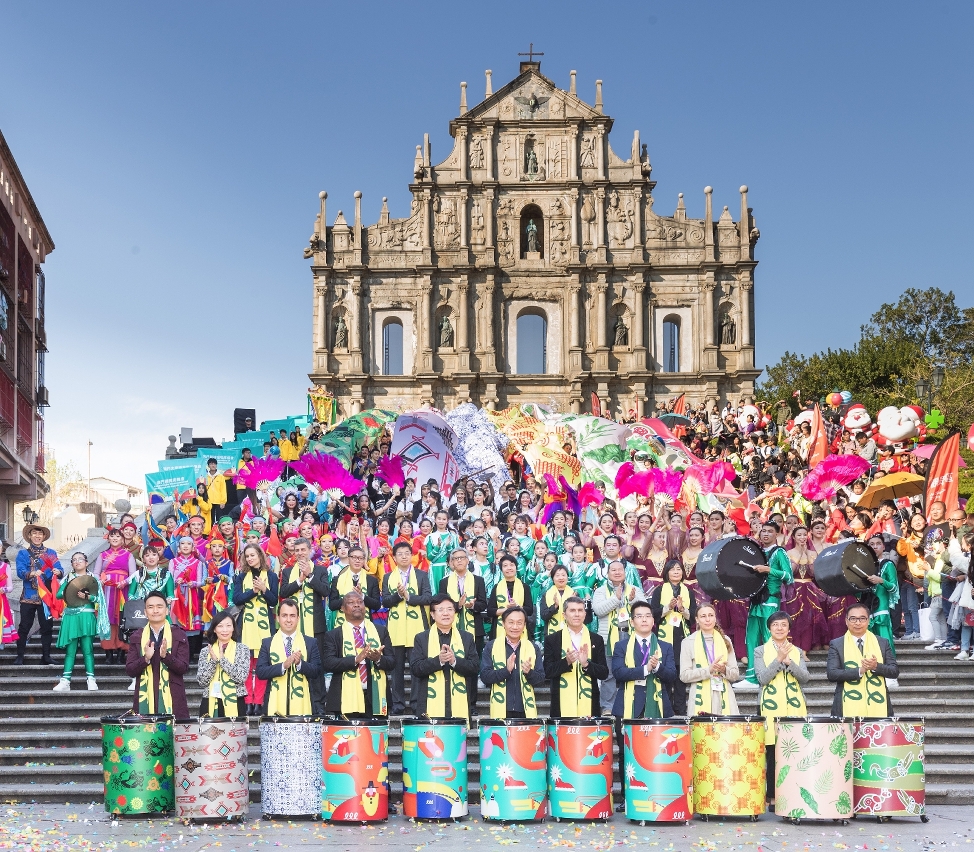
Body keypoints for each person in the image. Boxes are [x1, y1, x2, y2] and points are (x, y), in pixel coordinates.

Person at [754, 612, 809, 803]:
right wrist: (777, 660)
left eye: (783, 625)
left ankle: (794, 792)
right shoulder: (760, 651)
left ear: (789, 628)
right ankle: (772, 796)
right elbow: (762, 678)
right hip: (769, 707)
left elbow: (805, 678)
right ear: (769, 629)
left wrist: (789, 662)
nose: (779, 628)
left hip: (794, 706)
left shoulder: (797, 651)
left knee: (795, 749)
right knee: (772, 752)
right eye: (775, 625)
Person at [735, 521, 793, 691]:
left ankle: (772, 676)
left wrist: (768, 570)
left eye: (769, 531)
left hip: (770, 600)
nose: (765, 534)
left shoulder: (779, 552)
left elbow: (789, 577)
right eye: (763, 531)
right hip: (755, 600)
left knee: (770, 638)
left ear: (777, 534)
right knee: (751, 638)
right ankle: (752, 677)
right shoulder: (758, 551)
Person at [322, 589, 394, 717]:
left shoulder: (380, 631)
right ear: (342, 608)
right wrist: (355, 659)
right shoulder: (333, 635)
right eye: (351, 602)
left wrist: (378, 659)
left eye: (360, 602)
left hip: (376, 697)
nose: (356, 605)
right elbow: (328, 663)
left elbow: (392, 662)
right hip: (345, 698)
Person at [278, 536, 330, 713]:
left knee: (317, 665)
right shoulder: (287, 571)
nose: (300, 553)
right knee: (294, 662)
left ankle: (319, 704)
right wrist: (299, 580)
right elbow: (284, 592)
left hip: (315, 626)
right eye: (297, 550)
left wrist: (310, 576)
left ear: (310, 551)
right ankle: (294, 703)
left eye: (303, 550)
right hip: (292, 627)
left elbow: (325, 591)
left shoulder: (321, 570)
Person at [381, 541, 433, 715]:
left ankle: (417, 705)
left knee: (417, 668)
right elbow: (385, 601)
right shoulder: (388, 577)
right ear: (394, 558)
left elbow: (428, 598)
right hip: (395, 629)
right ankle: (398, 705)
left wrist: (409, 596)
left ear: (412, 555)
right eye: (400, 554)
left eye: (407, 553)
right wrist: (398, 595)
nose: (404, 556)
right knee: (396, 670)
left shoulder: (421, 575)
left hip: (417, 628)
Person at [410, 594, 480, 720]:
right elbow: (416, 668)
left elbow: (475, 667)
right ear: (432, 614)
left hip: (459, 704)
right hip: (428, 706)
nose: (446, 613)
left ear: (455, 612)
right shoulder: (421, 638)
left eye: (450, 609)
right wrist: (439, 661)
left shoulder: (467, 638)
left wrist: (454, 661)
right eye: (440, 610)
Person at [592, 560, 646, 714]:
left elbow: (644, 611)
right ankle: (607, 707)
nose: (617, 572)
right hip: (608, 638)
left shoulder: (634, 589)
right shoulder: (600, 591)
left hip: (630, 635)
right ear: (608, 573)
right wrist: (615, 599)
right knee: (608, 674)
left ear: (625, 572)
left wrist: (633, 600)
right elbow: (598, 610)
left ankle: (634, 704)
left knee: (632, 670)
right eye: (613, 570)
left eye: (620, 570)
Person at [826, 602, 899, 717]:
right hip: (846, 706)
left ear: (868, 621)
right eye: (853, 619)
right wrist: (860, 671)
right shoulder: (837, 644)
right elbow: (832, 674)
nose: (858, 623)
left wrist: (876, 666)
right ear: (846, 621)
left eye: (862, 618)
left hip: (878, 704)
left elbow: (894, 671)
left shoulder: (882, 642)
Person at [125, 591, 190, 717]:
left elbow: (183, 668)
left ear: (167, 611)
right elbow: (130, 670)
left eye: (159, 606)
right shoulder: (137, 636)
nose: (155, 611)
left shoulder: (178, 635)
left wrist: (166, 656)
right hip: (145, 699)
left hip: (173, 698)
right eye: (151, 607)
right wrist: (145, 658)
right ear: (145, 612)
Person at [232, 544, 280, 715]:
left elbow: (273, 601)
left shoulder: (271, 576)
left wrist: (264, 589)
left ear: (260, 555)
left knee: (261, 665)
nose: (250, 558)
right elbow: (237, 599)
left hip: (265, 625)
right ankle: (247, 701)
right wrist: (253, 591)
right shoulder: (241, 576)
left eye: (253, 555)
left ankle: (258, 702)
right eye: (247, 556)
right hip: (245, 626)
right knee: (246, 665)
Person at [53, 552, 110, 692]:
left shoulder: (93, 578)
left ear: (86, 562)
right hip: (71, 616)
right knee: (70, 650)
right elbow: (58, 594)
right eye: (74, 560)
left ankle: (91, 679)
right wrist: (71, 589)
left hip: (86, 615)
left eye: (80, 559)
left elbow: (99, 599)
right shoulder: (68, 577)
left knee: (87, 649)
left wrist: (88, 597)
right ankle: (65, 681)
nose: (77, 562)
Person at [256, 598, 323, 716]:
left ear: (298, 618)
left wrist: (300, 664)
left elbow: (317, 671)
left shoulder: (310, 642)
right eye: (284, 615)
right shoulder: (267, 643)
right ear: (278, 618)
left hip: (303, 706)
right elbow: (261, 672)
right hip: (274, 706)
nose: (288, 620)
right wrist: (283, 666)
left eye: (292, 616)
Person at [544, 596, 609, 717]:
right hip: (561, 704)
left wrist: (586, 664)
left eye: (580, 610)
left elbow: (604, 673)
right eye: (572, 610)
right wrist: (566, 661)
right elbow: (548, 671)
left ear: (585, 614)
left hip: (590, 704)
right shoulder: (552, 639)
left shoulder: (596, 639)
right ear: (564, 615)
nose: (577, 614)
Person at [611, 600, 676, 718]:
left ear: (653, 621)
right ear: (632, 622)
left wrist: (657, 667)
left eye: (648, 616)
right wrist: (646, 669)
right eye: (639, 616)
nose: (644, 620)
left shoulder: (665, 646)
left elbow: (672, 676)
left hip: (659, 705)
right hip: (628, 705)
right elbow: (618, 673)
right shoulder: (621, 646)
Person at [439, 547, 488, 705]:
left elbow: (483, 604)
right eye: (455, 558)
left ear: (468, 560)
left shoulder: (478, 580)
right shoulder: (444, 582)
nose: (459, 561)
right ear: (451, 563)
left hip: (474, 629)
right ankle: (451, 702)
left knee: (472, 666)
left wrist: (472, 605)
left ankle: (471, 703)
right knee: (450, 664)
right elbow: (440, 605)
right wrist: (458, 605)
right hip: (449, 629)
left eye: (462, 557)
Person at [480, 605, 546, 719]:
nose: (515, 627)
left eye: (519, 623)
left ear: (524, 625)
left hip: (525, 709)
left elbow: (540, 680)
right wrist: (506, 671)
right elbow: (485, 676)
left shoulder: (532, 648)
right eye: (511, 622)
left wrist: (529, 672)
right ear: (503, 624)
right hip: (501, 708)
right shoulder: (492, 646)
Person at [649, 560, 698, 715]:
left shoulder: (688, 591)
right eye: (672, 569)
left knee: (680, 675)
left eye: (678, 569)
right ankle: (667, 710)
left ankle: (680, 709)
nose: (676, 572)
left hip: (682, 637)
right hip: (664, 639)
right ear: (667, 572)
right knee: (666, 673)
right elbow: (653, 614)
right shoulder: (659, 590)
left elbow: (694, 617)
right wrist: (668, 608)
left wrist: (682, 609)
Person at [14, 523, 63, 666]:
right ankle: (20, 656)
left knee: (47, 627)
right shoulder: (23, 554)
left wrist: (58, 572)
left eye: (40, 533)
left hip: (46, 597)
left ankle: (46, 656)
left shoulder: (51, 553)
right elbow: (20, 571)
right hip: (29, 596)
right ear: (29, 536)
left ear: (44, 536)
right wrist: (31, 573)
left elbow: (59, 568)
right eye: (34, 533)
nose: (37, 536)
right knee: (24, 626)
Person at [680, 603, 740, 715]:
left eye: (711, 615)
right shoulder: (688, 642)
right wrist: (708, 670)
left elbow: (735, 674)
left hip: (724, 695)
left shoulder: (725, 640)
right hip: (699, 696)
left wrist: (724, 670)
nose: (708, 619)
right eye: (703, 616)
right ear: (697, 620)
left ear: (715, 618)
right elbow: (684, 675)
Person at [93, 527, 137, 663]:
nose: (115, 538)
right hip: (107, 590)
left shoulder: (128, 555)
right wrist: (100, 580)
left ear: (122, 539)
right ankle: (108, 653)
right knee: (106, 619)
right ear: (108, 539)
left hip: (122, 591)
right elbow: (95, 573)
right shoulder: (102, 555)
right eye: (112, 536)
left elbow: (134, 574)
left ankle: (121, 653)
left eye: (118, 536)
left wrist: (124, 582)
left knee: (122, 620)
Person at [196, 610, 250, 717]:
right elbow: (202, 681)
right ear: (214, 629)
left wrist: (222, 660)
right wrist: (213, 661)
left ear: (233, 628)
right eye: (220, 626)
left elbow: (241, 677)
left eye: (228, 625)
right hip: (210, 700)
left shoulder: (242, 649)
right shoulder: (206, 651)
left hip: (235, 699)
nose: (225, 630)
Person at [328, 545, 381, 627]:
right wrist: (348, 599)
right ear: (348, 559)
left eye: (360, 558)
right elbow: (332, 605)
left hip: (365, 625)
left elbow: (377, 605)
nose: (357, 560)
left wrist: (362, 596)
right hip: (342, 624)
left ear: (364, 560)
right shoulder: (337, 579)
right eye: (354, 557)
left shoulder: (371, 580)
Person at [486, 554, 533, 638]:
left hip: (520, 627)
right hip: (499, 628)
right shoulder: (497, 587)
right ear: (501, 569)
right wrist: (507, 610)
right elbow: (490, 611)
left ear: (516, 567)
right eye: (505, 566)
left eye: (512, 565)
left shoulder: (525, 587)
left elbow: (529, 610)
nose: (509, 568)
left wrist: (517, 607)